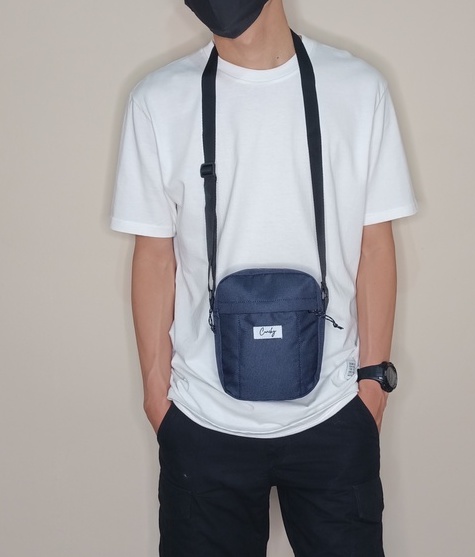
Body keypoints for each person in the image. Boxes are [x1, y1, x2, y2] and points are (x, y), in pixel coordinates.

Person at [111, 1, 417, 555]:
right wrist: (158, 397)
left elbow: (375, 245)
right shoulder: (158, 99)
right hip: (202, 422)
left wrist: (372, 385)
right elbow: (154, 256)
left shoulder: (357, 87)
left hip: (333, 414)